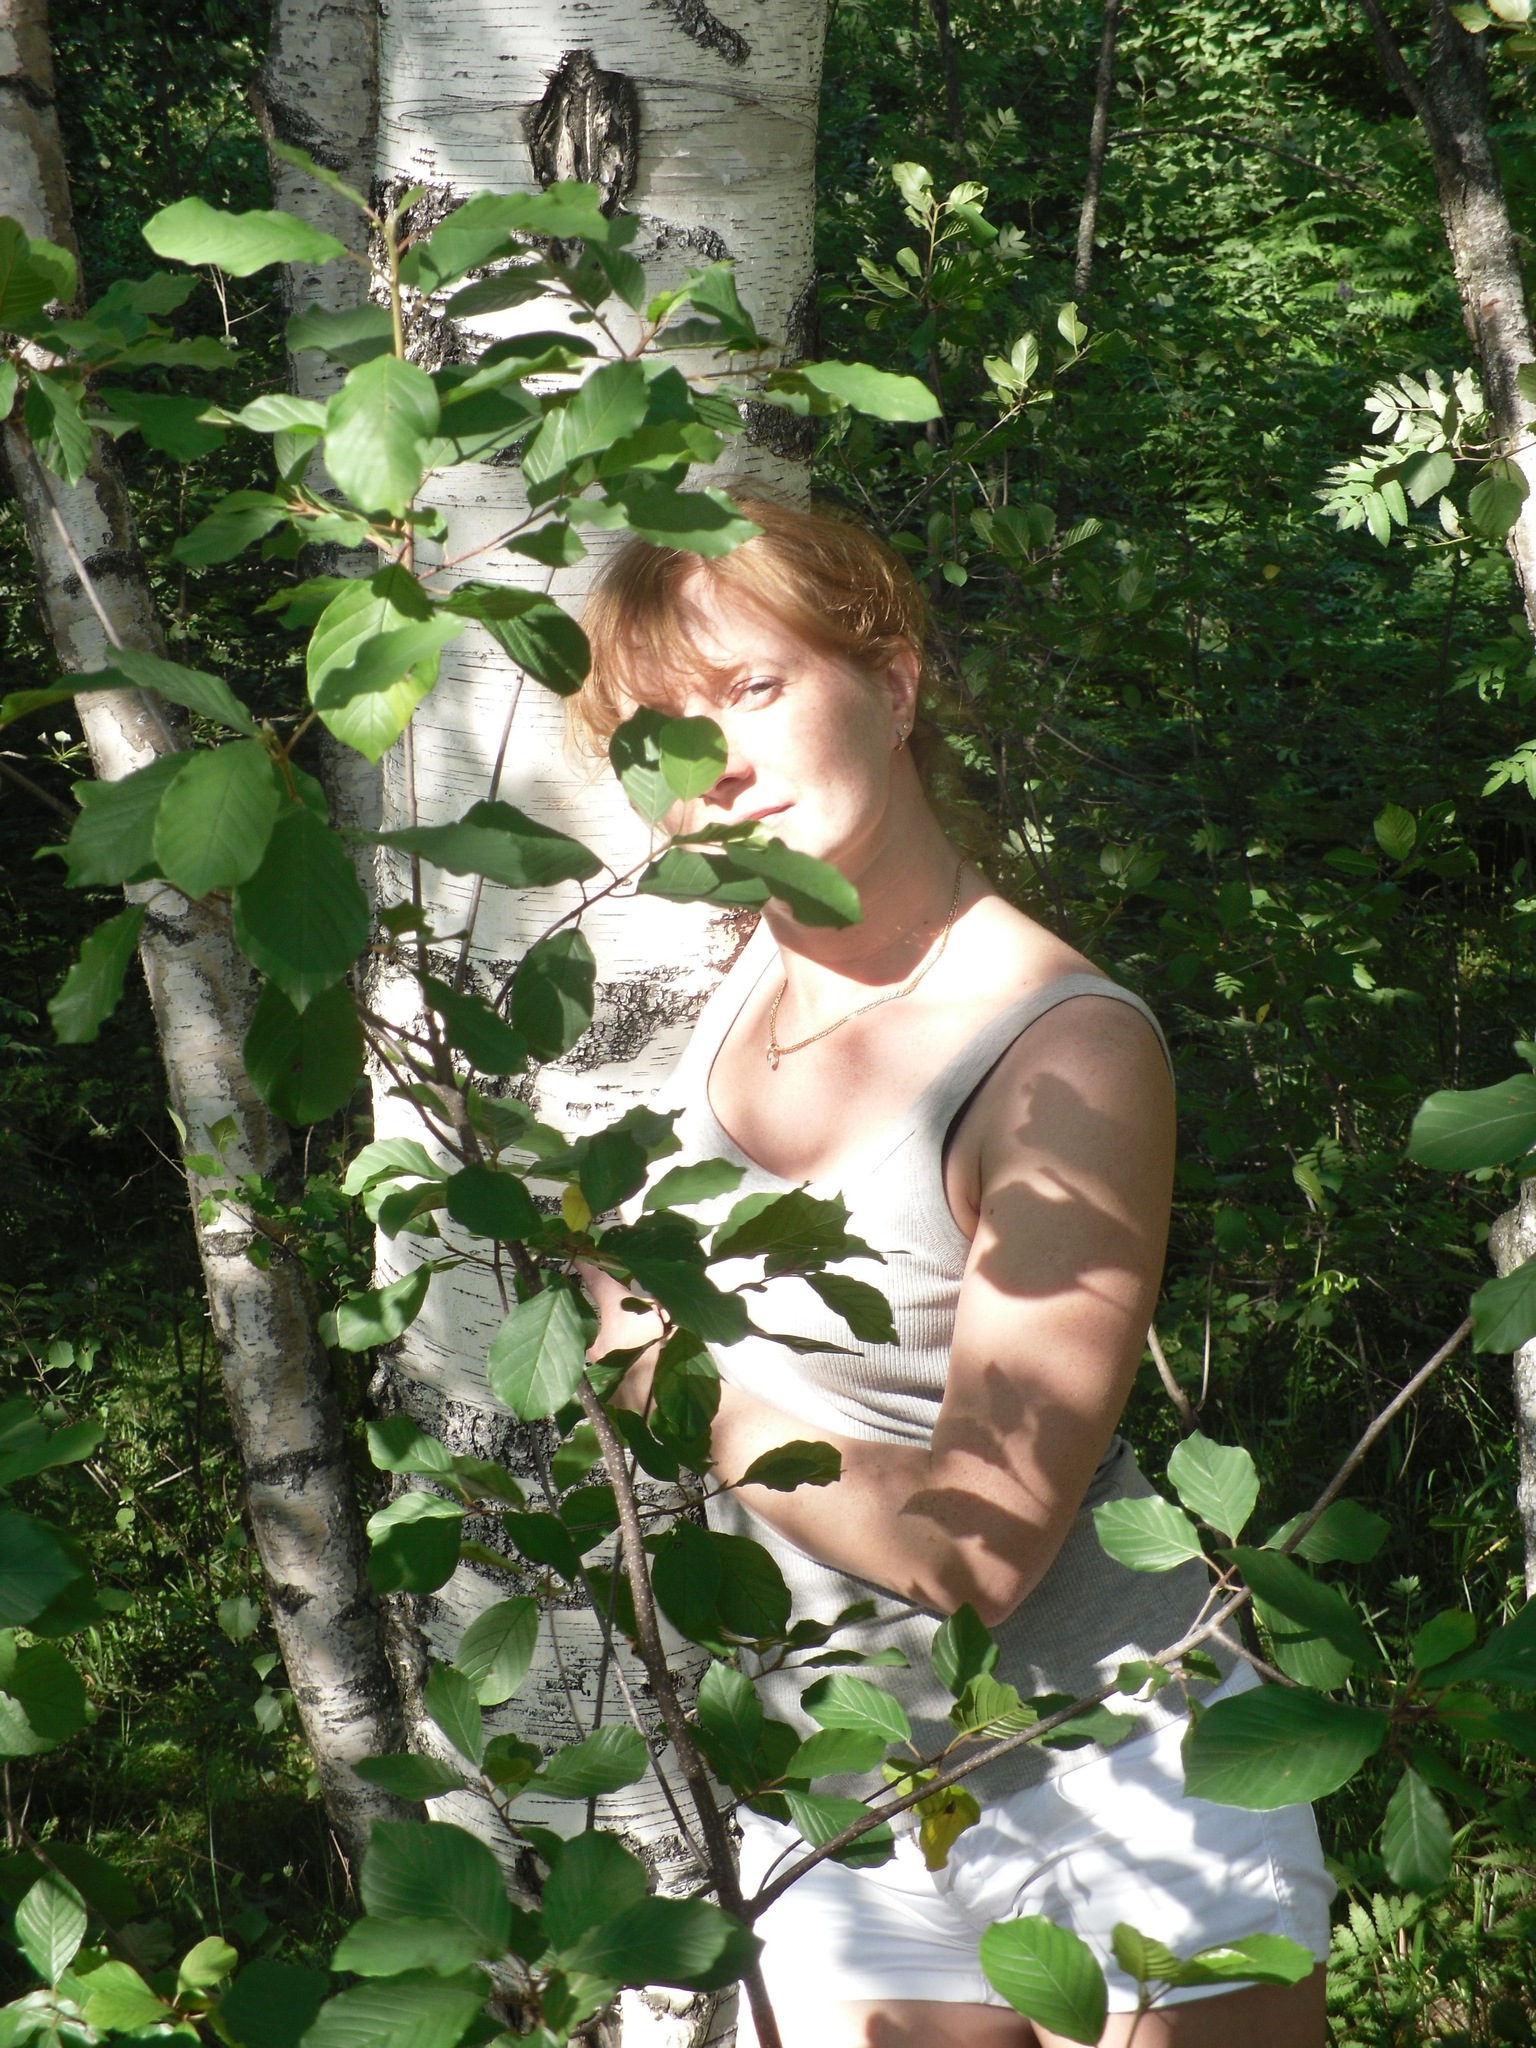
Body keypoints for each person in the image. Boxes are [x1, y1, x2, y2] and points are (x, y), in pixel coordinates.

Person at [572, 498, 1333, 2048]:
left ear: (897, 683)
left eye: (755, 690)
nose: (714, 762)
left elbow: (976, 1551)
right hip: (850, 1797)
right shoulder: (736, 985)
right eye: (662, 731)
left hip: (1125, 1791)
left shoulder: (1061, 1052)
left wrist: (664, 1372)